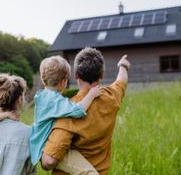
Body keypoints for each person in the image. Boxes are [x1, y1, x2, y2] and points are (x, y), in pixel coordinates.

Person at [41, 47, 131, 175]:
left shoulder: (68, 110)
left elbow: (49, 161)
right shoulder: (112, 97)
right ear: (101, 75)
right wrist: (123, 65)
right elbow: (121, 81)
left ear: (76, 75)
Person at [30, 56, 100, 174]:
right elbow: (78, 111)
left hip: (40, 148)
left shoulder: (41, 95)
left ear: (43, 79)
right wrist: (91, 95)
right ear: (63, 82)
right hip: (48, 150)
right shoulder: (55, 100)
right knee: (90, 173)